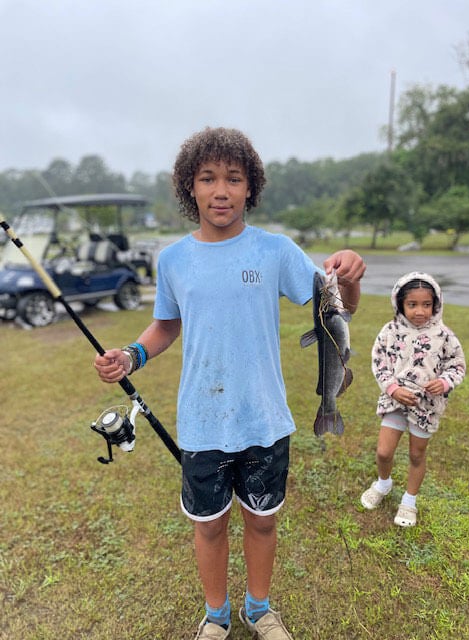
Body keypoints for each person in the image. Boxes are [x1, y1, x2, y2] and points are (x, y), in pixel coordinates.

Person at [94, 127, 366, 639]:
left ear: (250, 188)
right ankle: (216, 616)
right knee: (209, 524)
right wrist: (132, 355)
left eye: (234, 179)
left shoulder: (276, 251)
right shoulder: (173, 259)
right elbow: (167, 324)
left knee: (262, 521)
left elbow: (338, 310)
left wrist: (349, 275)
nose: (221, 190)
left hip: (264, 415)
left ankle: (258, 608)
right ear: (188, 187)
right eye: (208, 178)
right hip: (202, 420)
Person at [361, 272, 466, 527]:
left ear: (436, 304)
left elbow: (457, 365)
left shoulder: (444, 335)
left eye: (426, 305)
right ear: (400, 304)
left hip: (426, 407)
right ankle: (384, 484)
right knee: (384, 451)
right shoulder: (390, 331)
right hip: (395, 402)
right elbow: (379, 363)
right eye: (412, 304)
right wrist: (392, 388)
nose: (420, 311)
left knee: (416, 455)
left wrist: (444, 382)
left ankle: (409, 501)